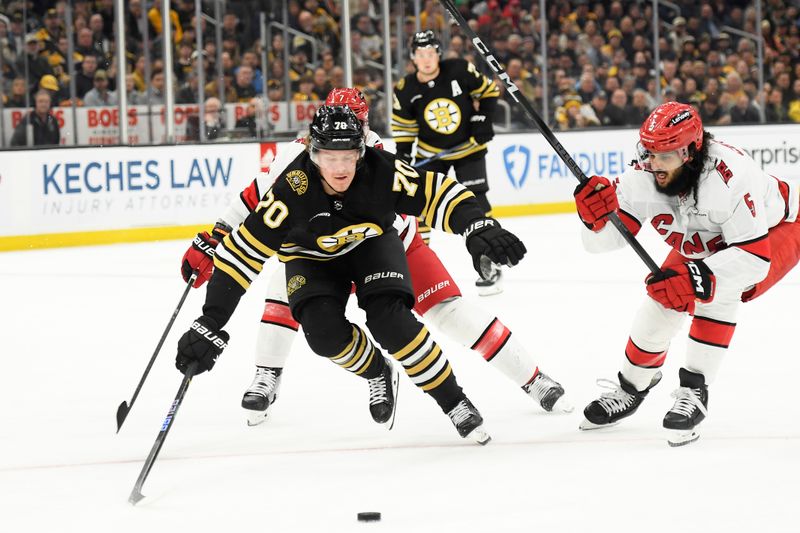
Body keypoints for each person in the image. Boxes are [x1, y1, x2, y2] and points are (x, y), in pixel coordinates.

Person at [180, 88, 571, 428]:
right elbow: (252, 199)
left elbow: (433, 194)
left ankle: (532, 378)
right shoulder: (296, 159)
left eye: (360, 123)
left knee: (451, 314)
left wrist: (475, 226)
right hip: (319, 253)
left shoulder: (375, 153)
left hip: (386, 246)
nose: (354, 136)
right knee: (291, 301)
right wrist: (215, 238)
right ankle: (267, 374)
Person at [573, 101, 800, 446]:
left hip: (776, 229)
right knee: (662, 301)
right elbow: (601, 244)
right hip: (712, 240)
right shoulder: (642, 176)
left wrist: (697, 278)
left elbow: (753, 260)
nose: (653, 163)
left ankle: (695, 391)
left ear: (691, 151)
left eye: (664, 155)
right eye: (648, 152)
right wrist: (593, 220)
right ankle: (631, 388)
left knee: (716, 292)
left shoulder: (730, 179)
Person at [392, 30, 503, 296]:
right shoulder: (406, 89)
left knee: (477, 203)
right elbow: (404, 130)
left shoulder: (459, 70)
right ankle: (419, 265)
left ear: (438, 54)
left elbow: (489, 92)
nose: (426, 59)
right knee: (420, 205)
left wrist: (482, 120)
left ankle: (489, 259)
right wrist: (404, 156)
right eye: (421, 54)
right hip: (432, 151)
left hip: (468, 149)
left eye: (431, 53)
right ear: (413, 58)